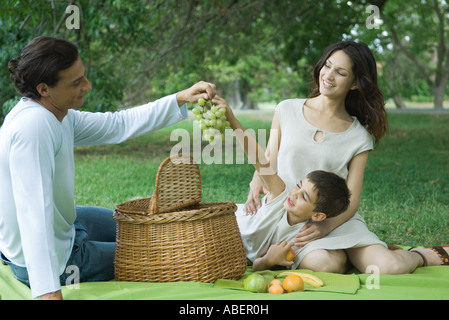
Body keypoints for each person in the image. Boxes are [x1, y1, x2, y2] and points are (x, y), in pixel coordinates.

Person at [0, 36, 217, 300]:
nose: (87, 86)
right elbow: (33, 214)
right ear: (44, 88)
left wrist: (180, 99)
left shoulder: (57, 113)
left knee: (144, 225)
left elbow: (118, 124)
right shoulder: (34, 128)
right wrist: (48, 292)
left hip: (67, 227)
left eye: (84, 77)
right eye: (76, 82)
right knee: (158, 249)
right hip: (57, 259)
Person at [240, 40, 448, 274]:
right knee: (327, 265)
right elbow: (269, 157)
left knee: (388, 267)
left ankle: (420, 255)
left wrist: (325, 227)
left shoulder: (358, 137)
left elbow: (351, 199)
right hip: (288, 215)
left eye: (340, 72)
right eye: (327, 66)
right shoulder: (286, 109)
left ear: (354, 84)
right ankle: (346, 256)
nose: (328, 75)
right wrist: (257, 179)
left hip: (336, 219)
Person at [213, 96, 352, 271]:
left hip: (232, 256)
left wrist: (268, 262)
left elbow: (258, 265)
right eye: (299, 186)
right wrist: (232, 121)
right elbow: (260, 161)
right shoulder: (281, 194)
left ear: (318, 216)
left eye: (304, 197)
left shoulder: (301, 237)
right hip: (223, 228)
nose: (294, 194)